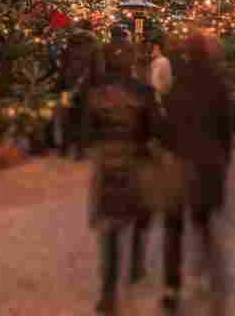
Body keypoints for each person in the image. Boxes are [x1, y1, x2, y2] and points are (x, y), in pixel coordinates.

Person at [158, 31, 233, 315]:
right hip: (207, 165)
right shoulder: (217, 84)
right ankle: (213, 283)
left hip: (180, 163)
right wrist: (223, 162)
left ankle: (171, 288)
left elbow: (167, 125)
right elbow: (225, 128)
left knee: (173, 228)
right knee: (204, 226)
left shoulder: (178, 85)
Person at [84, 41, 157, 315]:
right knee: (140, 213)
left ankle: (108, 293)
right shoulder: (144, 92)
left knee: (110, 228)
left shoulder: (96, 92)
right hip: (135, 160)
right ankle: (136, 264)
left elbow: (86, 132)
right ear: (131, 63)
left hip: (107, 162)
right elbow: (155, 128)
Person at [60, 20, 102, 160]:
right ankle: (80, 151)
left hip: (67, 86)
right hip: (86, 86)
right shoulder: (94, 45)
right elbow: (98, 69)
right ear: (90, 30)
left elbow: (63, 65)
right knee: (84, 118)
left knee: (66, 115)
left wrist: (63, 83)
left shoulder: (69, 43)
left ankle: (64, 148)